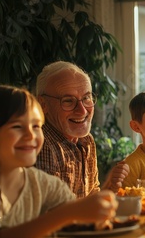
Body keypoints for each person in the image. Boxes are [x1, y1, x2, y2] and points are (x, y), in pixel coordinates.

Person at [0, 86, 117, 238]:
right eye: (17, 126)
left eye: (36, 126)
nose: (30, 135)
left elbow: (78, 222)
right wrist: (68, 213)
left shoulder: (44, 184)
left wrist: (102, 202)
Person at [35, 61, 127, 198]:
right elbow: (54, 214)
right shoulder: (42, 145)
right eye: (68, 101)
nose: (82, 110)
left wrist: (109, 189)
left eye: (86, 98)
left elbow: (89, 199)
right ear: (43, 105)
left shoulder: (86, 140)